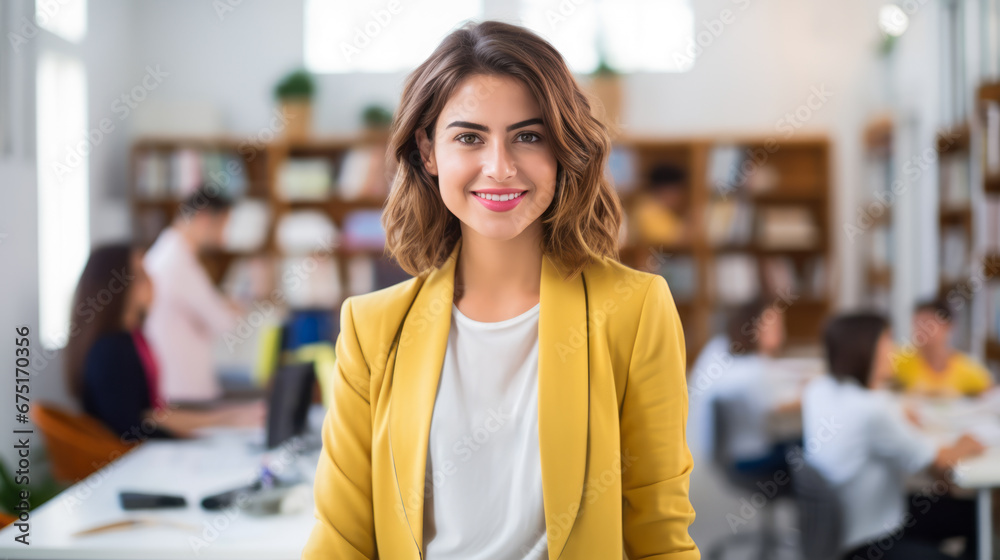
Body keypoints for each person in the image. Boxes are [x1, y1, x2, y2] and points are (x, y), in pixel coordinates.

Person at [302, 20, 699, 560]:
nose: (500, 168)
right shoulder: (372, 328)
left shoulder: (633, 310)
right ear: (428, 152)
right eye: (469, 137)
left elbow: (659, 536)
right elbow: (342, 541)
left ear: (562, 151)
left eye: (528, 137)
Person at [803, 313, 984, 560]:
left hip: (841, 528)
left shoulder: (818, 390)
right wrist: (967, 442)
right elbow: (941, 461)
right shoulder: (872, 410)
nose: (895, 348)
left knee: (967, 513)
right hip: (872, 540)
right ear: (865, 349)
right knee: (980, 518)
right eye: (887, 339)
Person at [64, 244, 265, 441]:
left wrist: (228, 418)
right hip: (130, 460)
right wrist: (222, 422)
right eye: (142, 276)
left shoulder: (131, 339)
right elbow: (135, 425)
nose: (154, 281)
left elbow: (152, 415)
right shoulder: (110, 350)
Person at [143, 185, 241, 403]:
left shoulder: (168, 253)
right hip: (183, 390)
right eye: (223, 227)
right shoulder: (178, 263)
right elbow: (223, 321)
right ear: (204, 218)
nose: (224, 238)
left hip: (178, 385)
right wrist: (230, 307)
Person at [693, 298, 800, 477]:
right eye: (775, 326)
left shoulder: (719, 348)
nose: (781, 332)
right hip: (751, 457)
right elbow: (776, 406)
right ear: (753, 327)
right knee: (808, 449)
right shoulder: (753, 370)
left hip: (720, 453)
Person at [893, 298, 993, 397]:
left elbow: (990, 395)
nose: (921, 330)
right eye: (916, 324)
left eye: (928, 324)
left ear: (948, 326)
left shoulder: (968, 368)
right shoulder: (901, 360)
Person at [631, 163, 690, 246]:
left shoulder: (661, 210)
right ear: (666, 190)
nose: (680, 197)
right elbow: (672, 241)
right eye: (678, 191)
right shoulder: (647, 210)